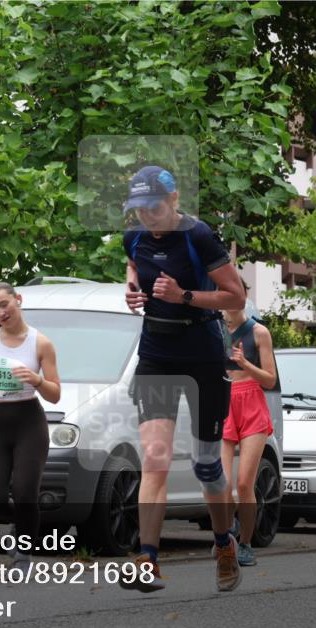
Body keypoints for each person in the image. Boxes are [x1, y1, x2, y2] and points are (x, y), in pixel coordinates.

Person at [119, 165, 246, 593]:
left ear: (173, 201)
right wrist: (133, 287)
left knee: (207, 465)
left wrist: (184, 296)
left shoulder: (199, 236)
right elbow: (133, 264)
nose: (147, 217)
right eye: (140, 210)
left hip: (203, 353)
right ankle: (147, 560)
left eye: (154, 207)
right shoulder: (134, 237)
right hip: (156, 351)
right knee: (154, 458)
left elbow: (236, 295)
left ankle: (224, 542)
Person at [0, 283, 61, 572]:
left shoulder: (40, 343)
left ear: (18, 300)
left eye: (4, 304)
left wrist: (36, 379)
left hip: (28, 422)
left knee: (24, 491)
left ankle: (23, 553)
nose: (0, 312)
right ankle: (24, 524)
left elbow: (55, 393)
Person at [219, 280, 277, 567]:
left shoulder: (258, 332)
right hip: (223, 402)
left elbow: (270, 380)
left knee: (244, 484)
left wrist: (245, 364)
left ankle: (245, 544)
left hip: (252, 402)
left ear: (244, 298)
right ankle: (227, 533)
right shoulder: (215, 331)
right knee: (223, 483)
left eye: (236, 296)